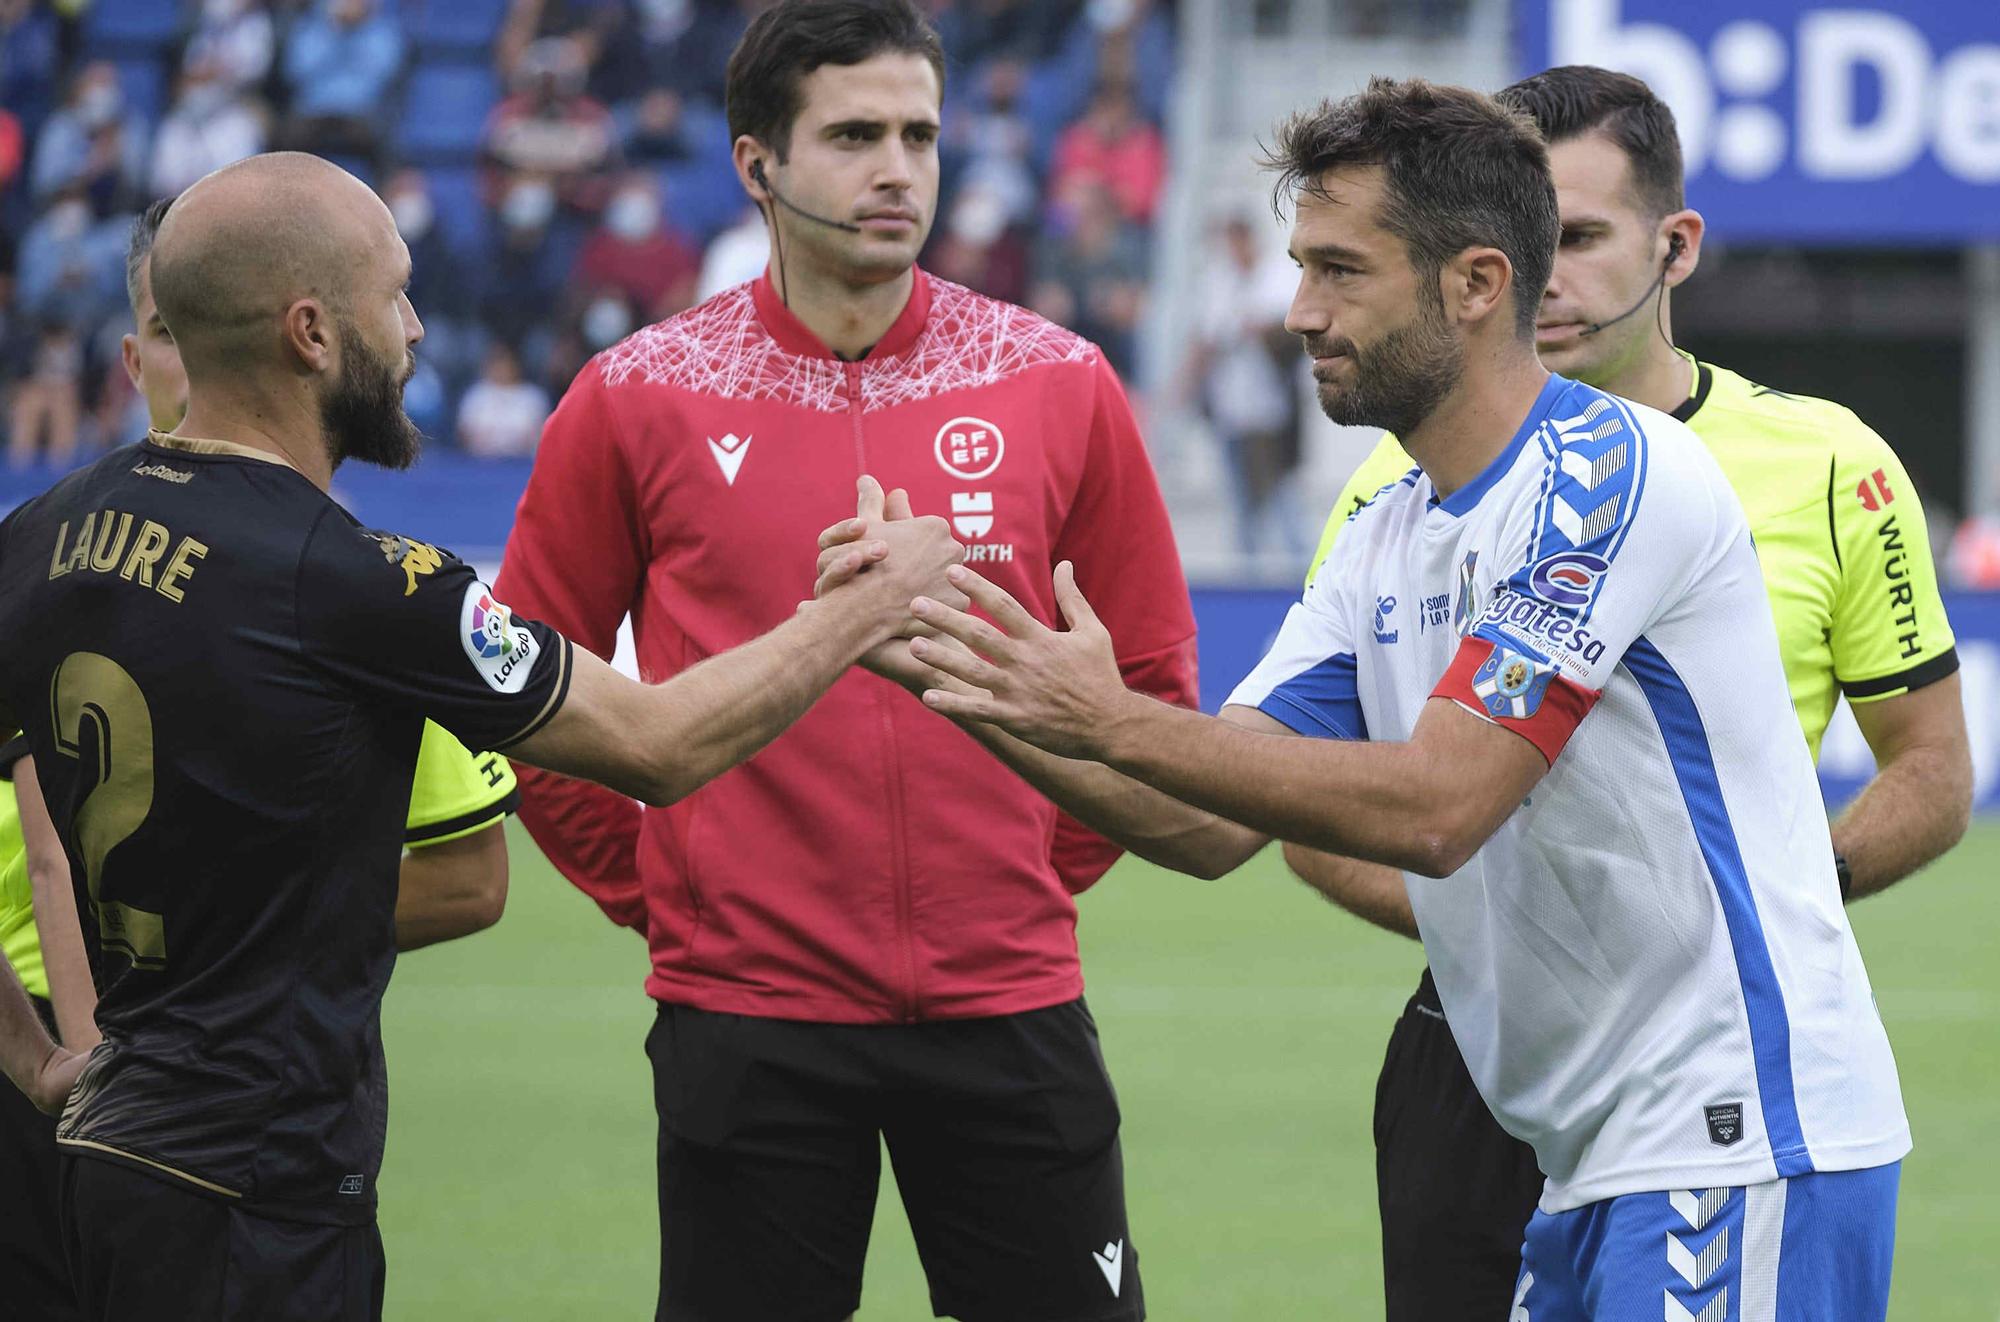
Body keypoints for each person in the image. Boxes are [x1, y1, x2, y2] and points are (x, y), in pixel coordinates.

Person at [871, 78, 1912, 1318]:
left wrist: (1104, 714)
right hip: (1594, 1160)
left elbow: (1437, 804)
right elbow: (1211, 818)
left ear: (1474, 282)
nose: (1297, 310)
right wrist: (962, 668)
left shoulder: (1607, 473)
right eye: (1297, 267)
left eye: (1337, 270)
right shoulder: (1384, 531)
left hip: (1738, 1137)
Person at [0, 150, 964, 1321]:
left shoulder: (42, 533)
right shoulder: (353, 581)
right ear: (311, 332)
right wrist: (864, 607)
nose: (412, 329)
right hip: (257, 1195)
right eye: (391, 294)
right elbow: (656, 742)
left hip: (107, 1167)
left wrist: (36, 1054)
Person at [493, 3, 1196, 1319]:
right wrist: (670, 887)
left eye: (920, 134)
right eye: (856, 134)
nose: (900, 168)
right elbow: (538, 699)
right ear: (757, 162)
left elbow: (1150, 701)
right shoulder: (637, 392)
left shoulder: (1060, 380)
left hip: (1012, 998)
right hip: (747, 1013)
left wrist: (1029, 870)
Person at [1283, 68, 1971, 1319]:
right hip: (1477, 1046)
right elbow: (1311, 797)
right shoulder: (1391, 495)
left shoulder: (1826, 462)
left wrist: (1755, 906)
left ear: (1675, 245)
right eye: (1520, 240)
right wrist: (1511, 935)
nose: (1543, 275)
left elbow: (1928, 768)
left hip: (1702, 1052)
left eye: (1581, 237)